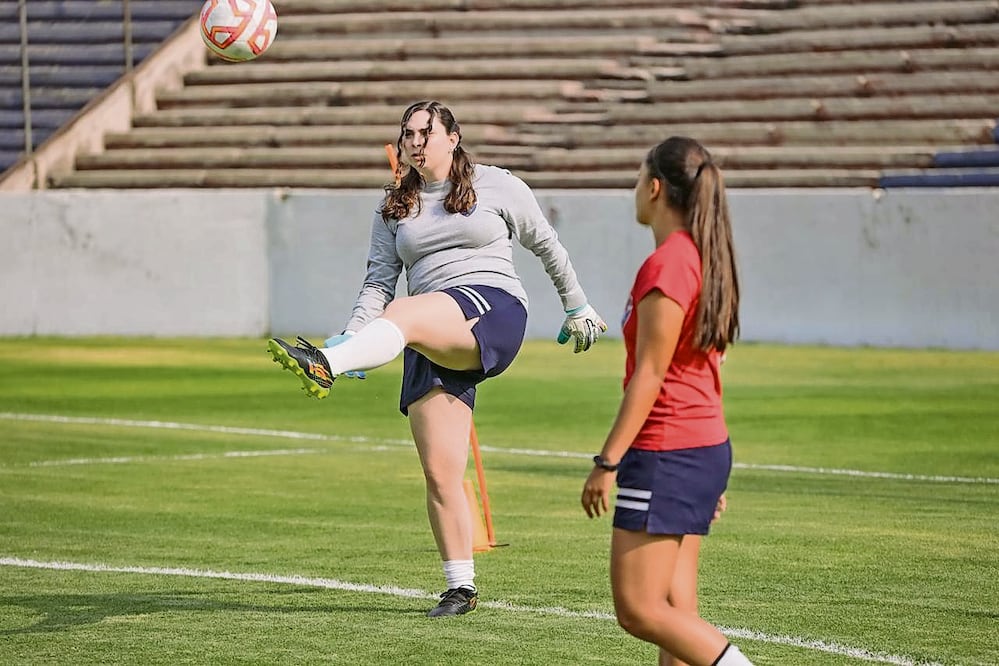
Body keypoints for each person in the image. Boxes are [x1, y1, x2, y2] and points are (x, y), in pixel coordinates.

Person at [267, 100, 608, 618]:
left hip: (490, 309)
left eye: (426, 132)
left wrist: (577, 304)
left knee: (405, 313)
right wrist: (352, 336)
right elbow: (378, 283)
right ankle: (460, 586)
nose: (415, 142)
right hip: (426, 332)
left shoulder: (498, 184)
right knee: (441, 470)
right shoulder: (392, 207)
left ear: (453, 137)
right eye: (407, 134)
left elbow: (546, 244)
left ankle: (325, 366)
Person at [580, 137, 753, 665]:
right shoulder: (698, 258)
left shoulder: (670, 264)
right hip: (695, 450)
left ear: (655, 188)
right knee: (676, 608)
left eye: (638, 178)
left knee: (638, 608)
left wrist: (607, 462)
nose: (634, 189)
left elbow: (651, 374)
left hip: (668, 450)